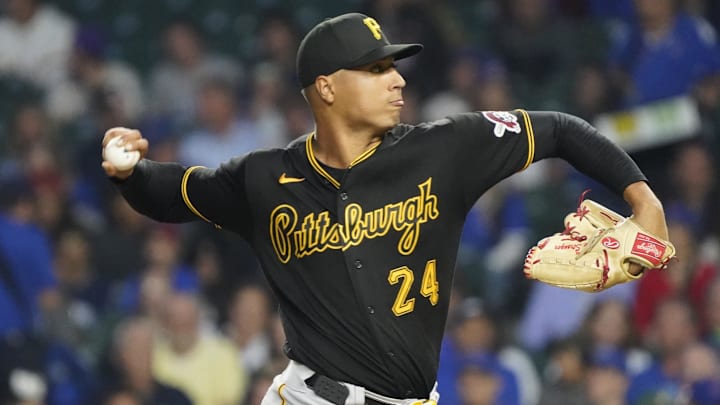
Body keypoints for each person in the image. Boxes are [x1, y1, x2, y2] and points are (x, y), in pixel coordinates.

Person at [101, 12, 671, 405]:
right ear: (326, 88)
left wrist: (642, 198)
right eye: (375, 69)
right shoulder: (264, 178)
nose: (397, 79)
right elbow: (175, 194)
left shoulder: (444, 149)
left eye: (394, 66)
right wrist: (129, 172)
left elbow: (560, 131)